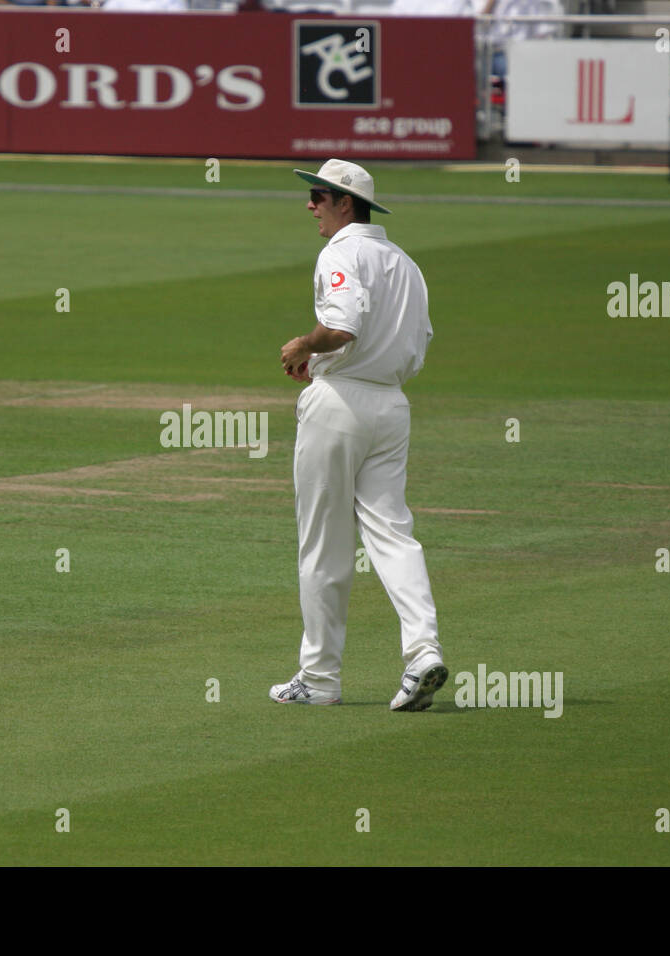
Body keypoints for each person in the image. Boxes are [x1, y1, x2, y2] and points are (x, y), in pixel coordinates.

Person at [271, 159, 447, 712]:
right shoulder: (407, 265)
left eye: (318, 196)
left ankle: (319, 679)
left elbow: (343, 325)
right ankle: (423, 652)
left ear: (345, 202)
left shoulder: (341, 252)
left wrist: (305, 347)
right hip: (392, 405)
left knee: (324, 542)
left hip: (340, 403)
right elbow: (417, 343)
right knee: (393, 533)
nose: (310, 205)